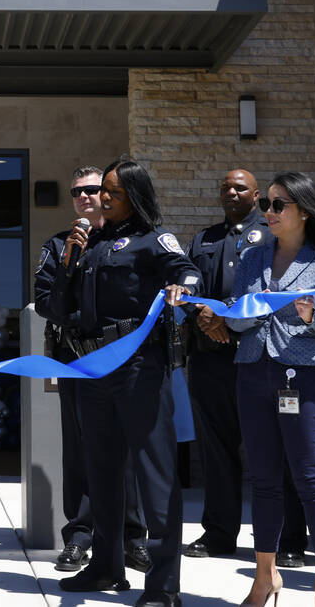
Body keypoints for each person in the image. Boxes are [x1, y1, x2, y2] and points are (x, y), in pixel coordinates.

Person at [51, 159, 200, 607]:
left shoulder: (153, 239)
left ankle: (163, 584)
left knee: (155, 477)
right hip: (94, 367)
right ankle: (105, 568)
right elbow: (58, 307)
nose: (102, 199)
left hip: (139, 368)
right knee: (101, 472)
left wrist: (184, 289)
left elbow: (185, 269)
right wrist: (69, 260)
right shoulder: (90, 243)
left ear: (133, 195)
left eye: (112, 193)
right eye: (102, 192)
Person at [225, 172, 315, 607]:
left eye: (279, 205)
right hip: (253, 373)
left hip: (303, 378)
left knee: (311, 478)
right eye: (269, 204)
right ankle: (265, 577)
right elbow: (234, 321)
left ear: (303, 210)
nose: (270, 212)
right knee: (262, 480)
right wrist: (250, 310)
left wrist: (309, 318)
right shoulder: (251, 258)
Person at [33, 166, 148, 574]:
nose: (86, 196)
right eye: (77, 190)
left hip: (126, 362)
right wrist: (70, 264)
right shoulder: (61, 244)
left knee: (130, 451)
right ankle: (80, 537)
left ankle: (132, 538)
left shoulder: (130, 241)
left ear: (110, 194)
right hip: (77, 360)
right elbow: (47, 302)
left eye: (95, 189)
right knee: (81, 451)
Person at [182, 168, 268, 560]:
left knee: (270, 449)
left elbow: (273, 292)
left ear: (256, 193)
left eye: (240, 187)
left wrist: (227, 325)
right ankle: (219, 533)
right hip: (210, 359)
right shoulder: (205, 238)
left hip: (256, 357)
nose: (231, 192)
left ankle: (281, 537)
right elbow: (187, 286)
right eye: (225, 187)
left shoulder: (271, 233)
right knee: (216, 451)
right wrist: (201, 313)